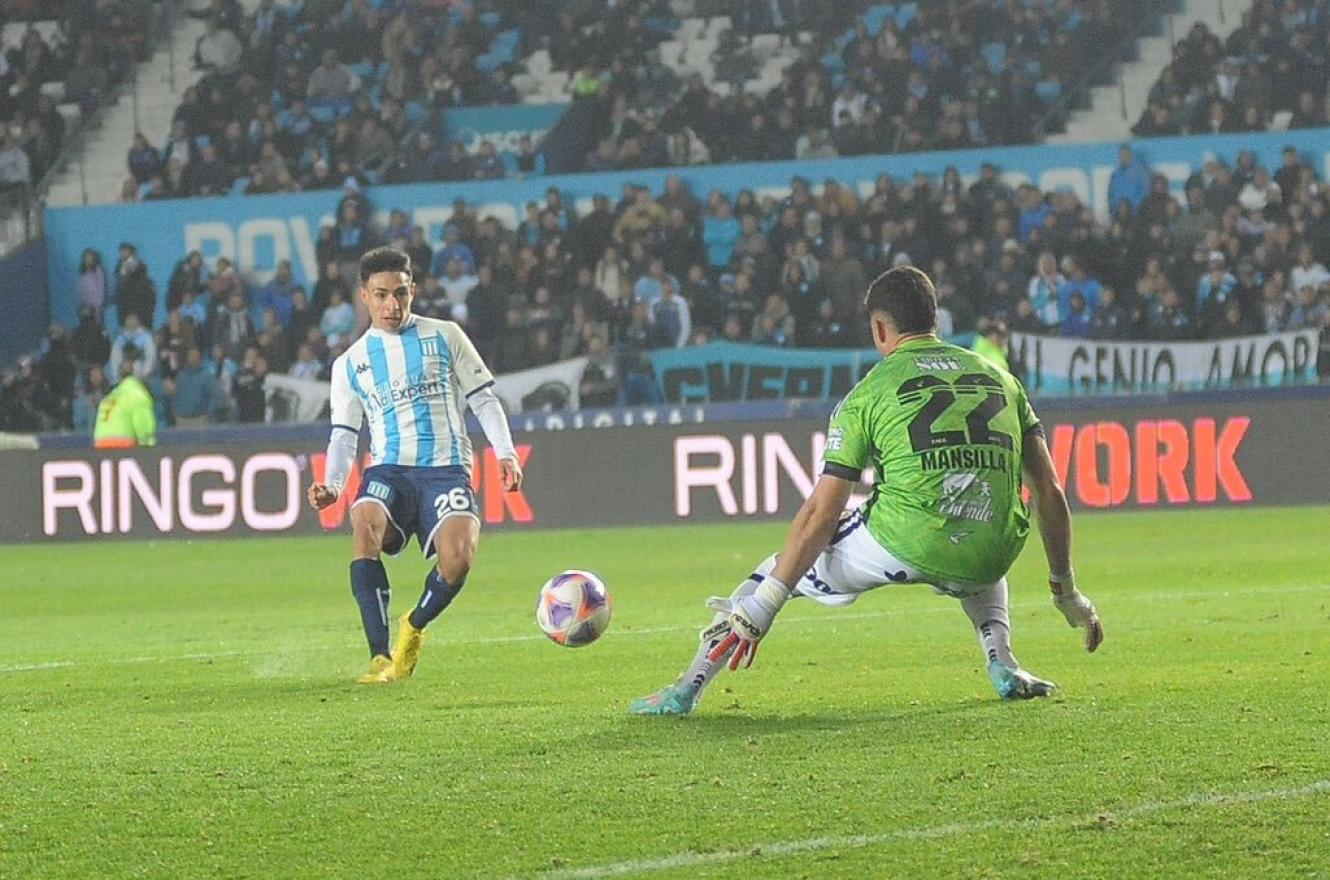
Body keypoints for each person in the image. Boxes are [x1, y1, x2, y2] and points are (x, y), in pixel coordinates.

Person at [630, 267, 1104, 716]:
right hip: (993, 549)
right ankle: (1003, 662)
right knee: (976, 536)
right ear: (933, 319)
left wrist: (766, 605)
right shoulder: (1003, 379)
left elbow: (822, 512)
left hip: (905, 541)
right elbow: (1050, 489)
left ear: (880, 328)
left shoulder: (869, 392)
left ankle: (684, 690)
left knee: (768, 576)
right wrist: (1067, 593)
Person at [306, 247, 524, 684]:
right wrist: (332, 483)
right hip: (388, 470)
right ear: (364, 295)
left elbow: (483, 398)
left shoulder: (446, 335)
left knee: (458, 559)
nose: (393, 305)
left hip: (445, 470)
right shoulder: (349, 364)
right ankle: (378, 656)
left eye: (401, 294)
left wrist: (505, 452)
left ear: (414, 291)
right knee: (364, 523)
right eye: (382, 295)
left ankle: (415, 624)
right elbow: (345, 434)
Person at [94, 359, 157, 448]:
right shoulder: (138, 394)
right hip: (122, 443)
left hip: (100, 443)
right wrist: (148, 445)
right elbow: (143, 424)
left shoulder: (112, 394)